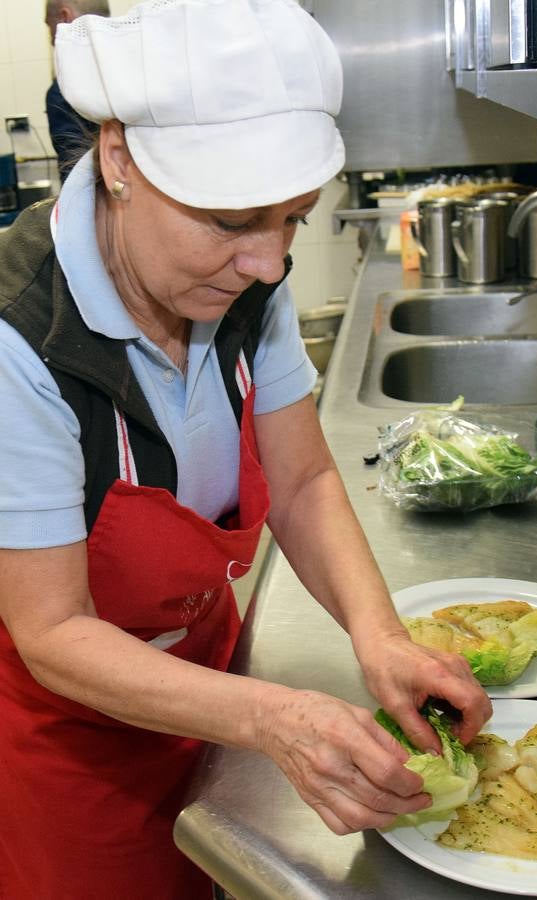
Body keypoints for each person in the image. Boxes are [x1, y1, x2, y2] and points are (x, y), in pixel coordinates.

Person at [0, 1, 493, 897]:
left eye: (293, 217)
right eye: (231, 222)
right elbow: (53, 631)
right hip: (75, 740)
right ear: (119, 160)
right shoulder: (19, 340)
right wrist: (278, 719)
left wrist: (378, 636)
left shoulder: (243, 287)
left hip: (212, 680)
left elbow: (301, 480)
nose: (268, 262)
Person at [44, 0, 110, 182]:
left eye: (49, 25)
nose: (51, 40)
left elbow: (76, 177)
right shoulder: (139, 69)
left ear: (65, 18)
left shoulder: (64, 92)